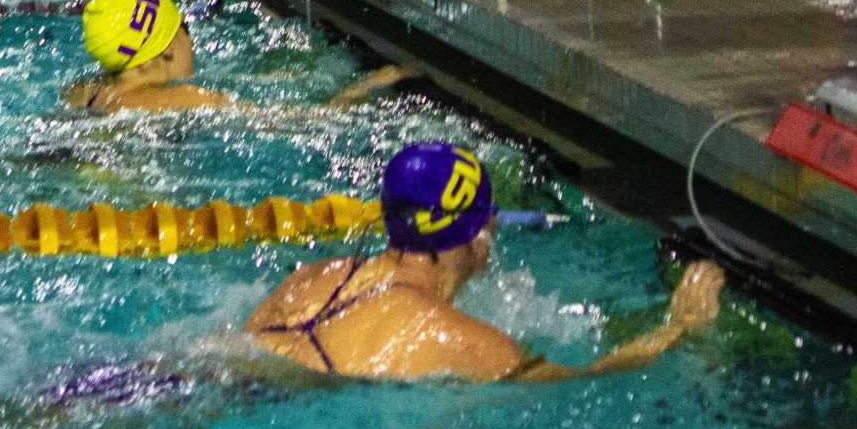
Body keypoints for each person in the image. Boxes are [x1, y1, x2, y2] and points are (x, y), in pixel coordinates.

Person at [244, 143, 724, 382]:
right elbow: (586, 378)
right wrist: (678, 326)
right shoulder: (458, 338)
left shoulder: (314, 277)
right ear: (475, 231)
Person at [59, 0, 415, 114]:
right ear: (166, 49)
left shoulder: (83, 92)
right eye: (183, 28)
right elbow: (305, 122)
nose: (190, 40)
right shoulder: (187, 99)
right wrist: (370, 84)